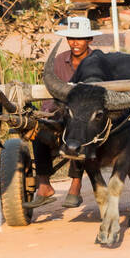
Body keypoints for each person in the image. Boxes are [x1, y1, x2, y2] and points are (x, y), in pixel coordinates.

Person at [26, 15, 104, 210]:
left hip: (87, 118)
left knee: (78, 132)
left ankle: (75, 184)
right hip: (60, 113)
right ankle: (43, 184)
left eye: (80, 38)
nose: (74, 43)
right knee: (38, 130)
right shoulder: (59, 61)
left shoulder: (99, 62)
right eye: (71, 38)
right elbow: (49, 91)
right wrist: (47, 113)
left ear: (89, 40)